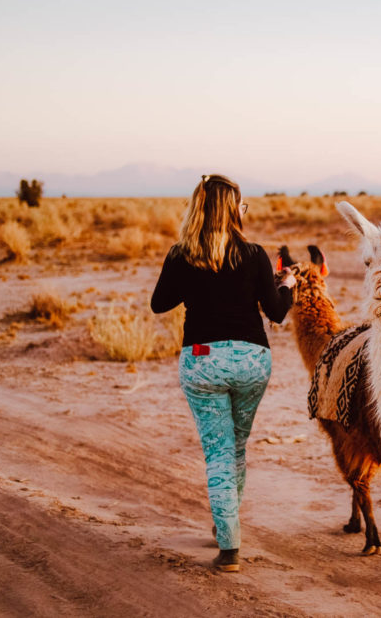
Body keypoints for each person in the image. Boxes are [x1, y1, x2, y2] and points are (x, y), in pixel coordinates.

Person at [151, 174, 295, 572]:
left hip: (202, 361)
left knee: (218, 452)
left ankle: (229, 546)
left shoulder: (182, 254)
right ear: (234, 211)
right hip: (252, 361)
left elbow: (159, 304)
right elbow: (278, 313)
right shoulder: (254, 254)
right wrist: (289, 285)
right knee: (236, 448)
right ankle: (224, 522)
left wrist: (191, 280)